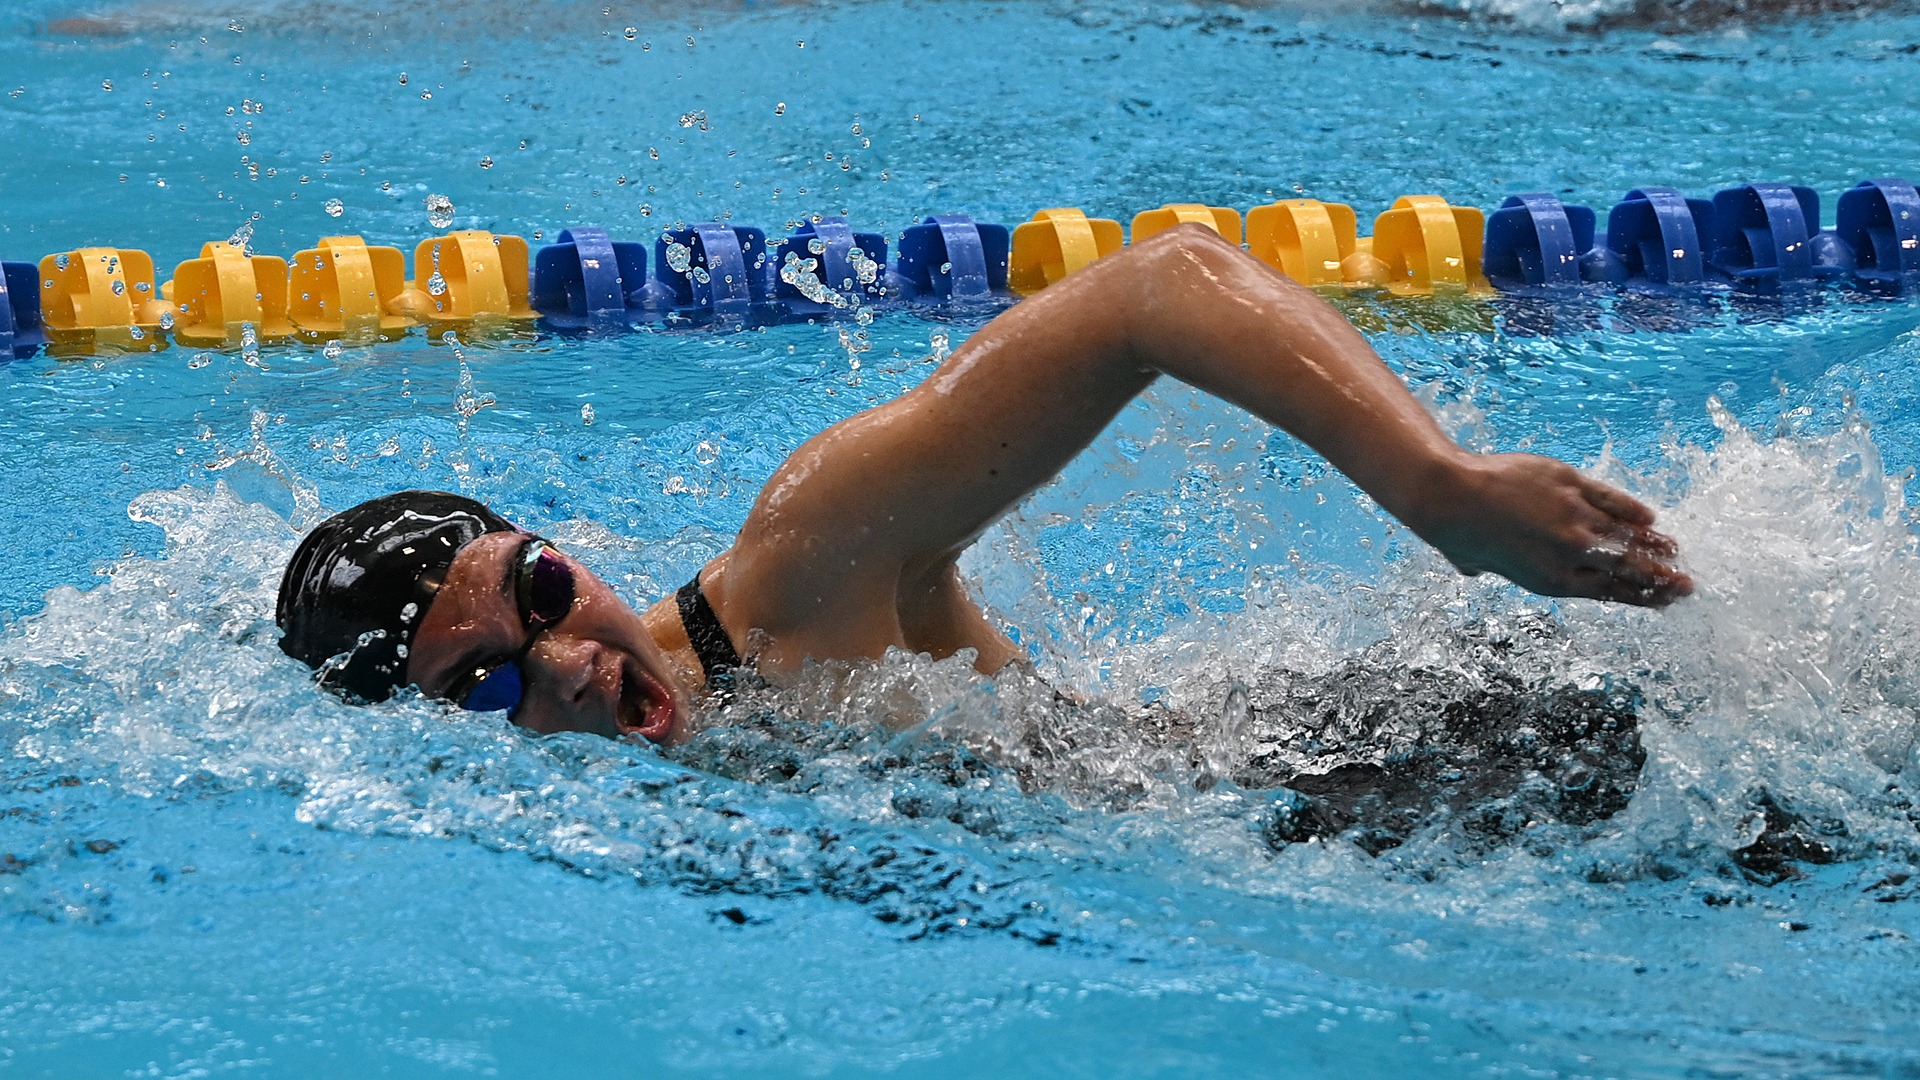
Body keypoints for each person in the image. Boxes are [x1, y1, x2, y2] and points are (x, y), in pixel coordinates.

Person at [276, 225, 1692, 745]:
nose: (570, 665)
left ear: (560, 548)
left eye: (535, 595)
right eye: (485, 685)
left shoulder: (800, 567)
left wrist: (1437, 489)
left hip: (1372, 769)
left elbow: (1156, 286)